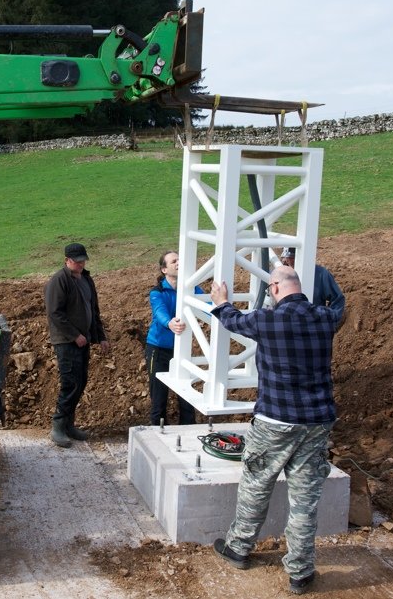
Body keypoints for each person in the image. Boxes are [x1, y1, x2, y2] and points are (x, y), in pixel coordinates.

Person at [209, 265, 342, 595]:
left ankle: (239, 548)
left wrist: (222, 300)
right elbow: (339, 304)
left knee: (257, 483)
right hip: (316, 422)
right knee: (304, 499)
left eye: (270, 291)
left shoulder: (267, 320)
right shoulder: (325, 320)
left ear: (276, 289)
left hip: (275, 420)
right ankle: (300, 571)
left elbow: (232, 320)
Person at [43, 242, 109, 448]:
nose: (81, 264)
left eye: (83, 261)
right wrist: (74, 335)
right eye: (77, 261)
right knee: (70, 383)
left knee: (81, 382)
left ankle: (69, 425)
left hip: (84, 340)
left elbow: (93, 310)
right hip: (66, 342)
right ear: (67, 261)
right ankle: (58, 426)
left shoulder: (86, 279)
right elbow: (55, 313)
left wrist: (100, 336)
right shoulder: (59, 281)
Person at [145, 251, 202, 426]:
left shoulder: (192, 288)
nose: (179, 263)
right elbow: (159, 312)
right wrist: (169, 323)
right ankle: (158, 431)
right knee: (159, 395)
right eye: (174, 261)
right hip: (158, 349)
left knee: (186, 394)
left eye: (180, 259)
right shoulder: (158, 292)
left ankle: (188, 430)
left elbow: (206, 303)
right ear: (164, 269)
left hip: (181, 350)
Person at [280, 247, 346, 319]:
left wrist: (329, 322)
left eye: (293, 258)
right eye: (288, 258)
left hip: (312, 325)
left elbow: (337, 299)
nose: (290, 261)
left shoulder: (321, 274)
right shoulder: (279, 275)